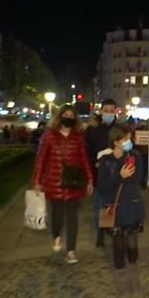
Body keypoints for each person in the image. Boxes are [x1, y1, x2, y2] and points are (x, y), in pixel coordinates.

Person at [33, 104, 93, 264]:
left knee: (72, 217)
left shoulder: (78, 137)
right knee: (57, 216)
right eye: (66, 115)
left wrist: (89, 180)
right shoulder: (49, 136)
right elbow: (41, 159)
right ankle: (56, 236)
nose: (69, 118)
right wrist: (37, 181)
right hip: (54, 182)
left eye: (72, 116)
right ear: (60, 117)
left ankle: (71, 251)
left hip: (73, 183)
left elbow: (84, 160)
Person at [97, 125, 145, 292]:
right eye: (125, 139)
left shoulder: (135, 157)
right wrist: (119, 176)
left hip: (131, 207)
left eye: (130, 138)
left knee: (132, 244)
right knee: (118, 246)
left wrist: (131, 166)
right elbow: (102, 188)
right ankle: (121, 280)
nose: (129, 142)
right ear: (116, 142)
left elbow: (139, 179)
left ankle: (133, 275)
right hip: (114, 209)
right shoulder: (106, 160)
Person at [85, 98, 118, 248]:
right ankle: (100, 233)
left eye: (112, 111)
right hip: (99, 174)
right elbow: (87, 152)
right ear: (101, 111)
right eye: (106, 111)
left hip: (117, 174)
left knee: (112, 205)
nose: (109, 114)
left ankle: (110, 228)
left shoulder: (120, 129)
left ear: (116, 111)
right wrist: (95, 164)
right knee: (100, 205)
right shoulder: (92, 130)